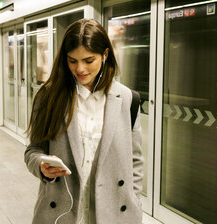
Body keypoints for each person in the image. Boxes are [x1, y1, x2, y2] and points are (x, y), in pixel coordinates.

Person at [24, 19, 143, 224]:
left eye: (89, 60)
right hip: (62, 211)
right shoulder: (48, 96)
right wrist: (41, 166)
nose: (80, 69)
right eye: (72, 61)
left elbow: (136, 160)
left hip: (115, 213)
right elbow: (33, 150)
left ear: (105, 55)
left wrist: (134, 201)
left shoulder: (127, 99)